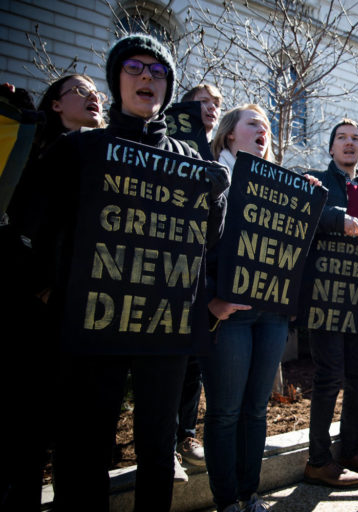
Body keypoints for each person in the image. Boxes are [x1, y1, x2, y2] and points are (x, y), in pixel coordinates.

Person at [28, 34, 228, 512]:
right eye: (135, 67)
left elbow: (207, 239)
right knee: (86, 447)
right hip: (96, 320)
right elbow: (37, 223)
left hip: (164, 323)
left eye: (158, 72)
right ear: (116, 79)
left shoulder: (188, 156)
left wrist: (217, 196)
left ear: (167, 87)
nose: (146, 77)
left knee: (158, 449)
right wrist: (49, 290)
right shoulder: (79, 148)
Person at [203, 104, 319, 512]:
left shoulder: (282, 185)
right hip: (229, 314)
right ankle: (226, 501)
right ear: (230, 134)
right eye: (254, 123)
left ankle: (249, 495)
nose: (263, 130)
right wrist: (210, 299)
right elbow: (193, 246)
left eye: (267, 125)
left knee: (255, 410)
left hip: (271, 314)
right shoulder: (213, 175)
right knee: (225, 412)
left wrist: (302, 201)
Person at [0, 75, 105, 511]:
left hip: (89, 315)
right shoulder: (38, 155)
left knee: (79, 434)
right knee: (31, 428)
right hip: (41, 314)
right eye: (80, 91)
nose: (93, 95)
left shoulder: (105, 155)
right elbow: (19, 225)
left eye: (96, 91)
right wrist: (41, 284)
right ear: (56, 106)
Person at [302, 118, 358, 488]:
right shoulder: (316, 183)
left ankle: (351, 450)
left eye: (356, 138)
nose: (349, 143)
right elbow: (305, 216)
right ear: (331, 147)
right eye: (342, 138)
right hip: (326, 298)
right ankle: (319, 460)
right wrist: (339, 219)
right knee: (329, 378)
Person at [172, 83, 223, 473]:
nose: (211, 108)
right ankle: (164, 443)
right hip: (169, 273)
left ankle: (186, 434)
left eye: (217, 104)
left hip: (204, 278)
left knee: (192, 363)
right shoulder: (170, 144)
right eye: (203, 102)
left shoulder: (218, 155)